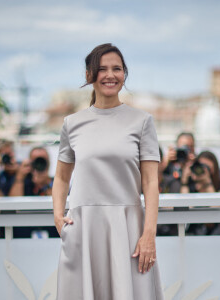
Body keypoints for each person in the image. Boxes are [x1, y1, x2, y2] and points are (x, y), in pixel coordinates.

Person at [52, 43, 164, 299]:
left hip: (129, 229)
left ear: (125, 74)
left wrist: (149, 234)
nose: (110, 75)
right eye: (102, 69)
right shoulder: (72, 123)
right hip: (84, 230)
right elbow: (60, 177)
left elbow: (150, 183)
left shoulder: (142, 121)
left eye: (117, 68)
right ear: (90, 75)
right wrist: (58, 216)